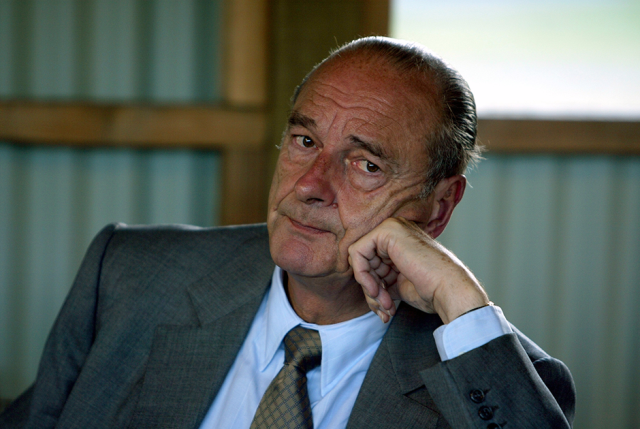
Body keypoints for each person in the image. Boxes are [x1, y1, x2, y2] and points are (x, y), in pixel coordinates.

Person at [0, 37, 575, 429]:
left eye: (365, 165)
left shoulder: (498, 377)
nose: (309, 185)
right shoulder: (127, 276)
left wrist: (459, 298)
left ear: (439, 206)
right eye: (305, 141)